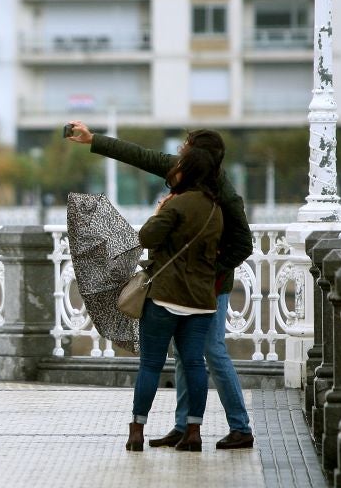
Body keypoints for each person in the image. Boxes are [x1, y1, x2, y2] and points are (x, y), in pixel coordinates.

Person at [68, 121, 255, 451]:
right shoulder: (187, 171)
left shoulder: (225, 195)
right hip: (187, 286)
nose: (181, 150)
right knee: (186, 356)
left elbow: (243, 245)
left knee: (210, 351)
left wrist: (207, 272)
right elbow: (141, 155)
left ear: (200, 155)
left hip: (210, 285)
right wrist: (93, 139)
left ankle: (240, 427)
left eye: (187, 145)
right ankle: (184, 427)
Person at [124, 143, 222, 452]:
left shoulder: (176, 205)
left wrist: (160, 210)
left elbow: (145, 237)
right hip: (201, 301)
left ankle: (137, 431)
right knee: (194, 364)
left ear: (187, 171)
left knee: (151, 365)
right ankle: (193, 432)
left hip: (165, 297)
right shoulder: (215, 209)